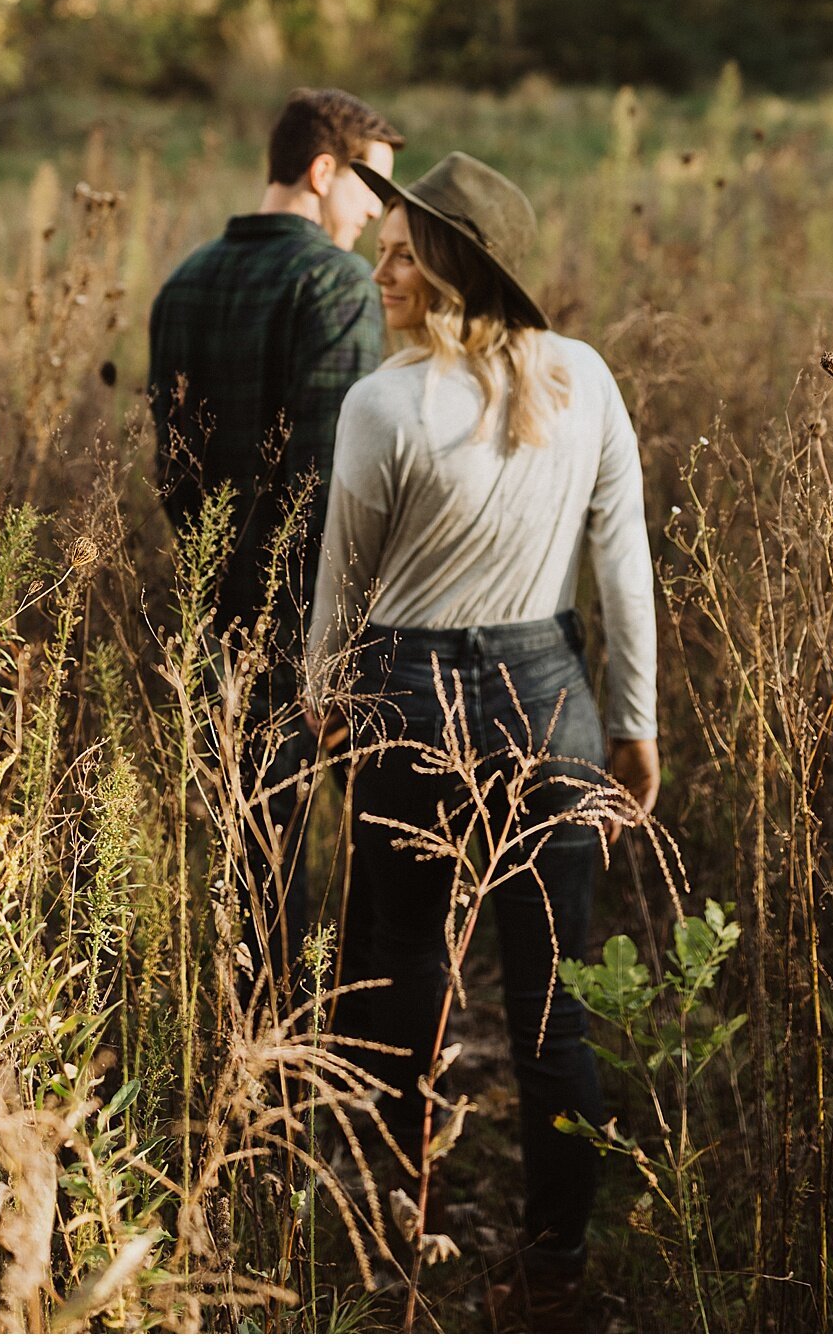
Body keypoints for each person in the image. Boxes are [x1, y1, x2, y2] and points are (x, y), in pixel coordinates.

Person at [307, 151, 660, 1326]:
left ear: (452, 261)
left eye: (404, 246)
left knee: (400, 972)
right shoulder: (587, 378)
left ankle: (393, 1234)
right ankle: (555, 1260)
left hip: (405, 696)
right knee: (554, 999)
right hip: (549, 694)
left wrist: (323, 696)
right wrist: (633, 722)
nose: (381, 263)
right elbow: (624, 566)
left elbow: (340, 590)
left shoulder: (383, 403)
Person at [149, 86, 403, 1004]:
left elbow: (174, 472)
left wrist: (223, 594)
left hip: (218, 611)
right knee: (386, 848)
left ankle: (264, 1081)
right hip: (318, 614)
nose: (379, 220)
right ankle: (361, 1057)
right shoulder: (335, 284)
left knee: (259, 856)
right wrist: (331, 642)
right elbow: (332, 478)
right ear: (323, 170)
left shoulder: (182, 281)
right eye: (373, 193)